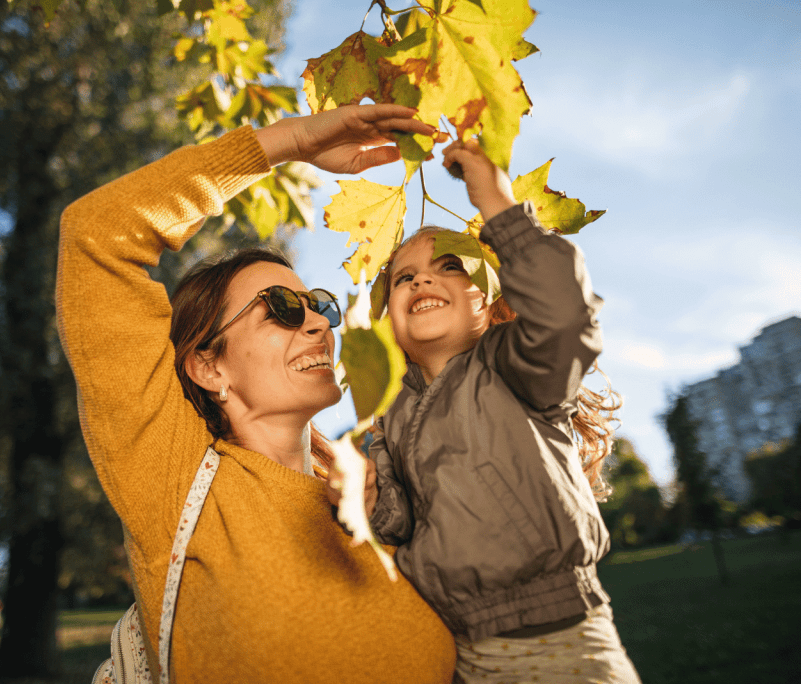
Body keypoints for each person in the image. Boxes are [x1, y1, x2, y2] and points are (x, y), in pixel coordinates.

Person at [55, 104, 459, 682]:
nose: (319, 324)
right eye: (282, 310)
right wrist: (288, 142)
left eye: (318, 305)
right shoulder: (174, 476)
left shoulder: (378, 491)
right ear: (207, 367)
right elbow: (97, 235)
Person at [348, 137, 642, 682]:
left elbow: (564, 317)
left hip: (559, 637)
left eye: (449, 265)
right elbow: (400, 523)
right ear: (388, 317)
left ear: (487, 300)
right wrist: (371, 505)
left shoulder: (516, 368)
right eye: (403, 277)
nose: (421, 279)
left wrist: (498, 207)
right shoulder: (389, 418)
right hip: (456, 648)